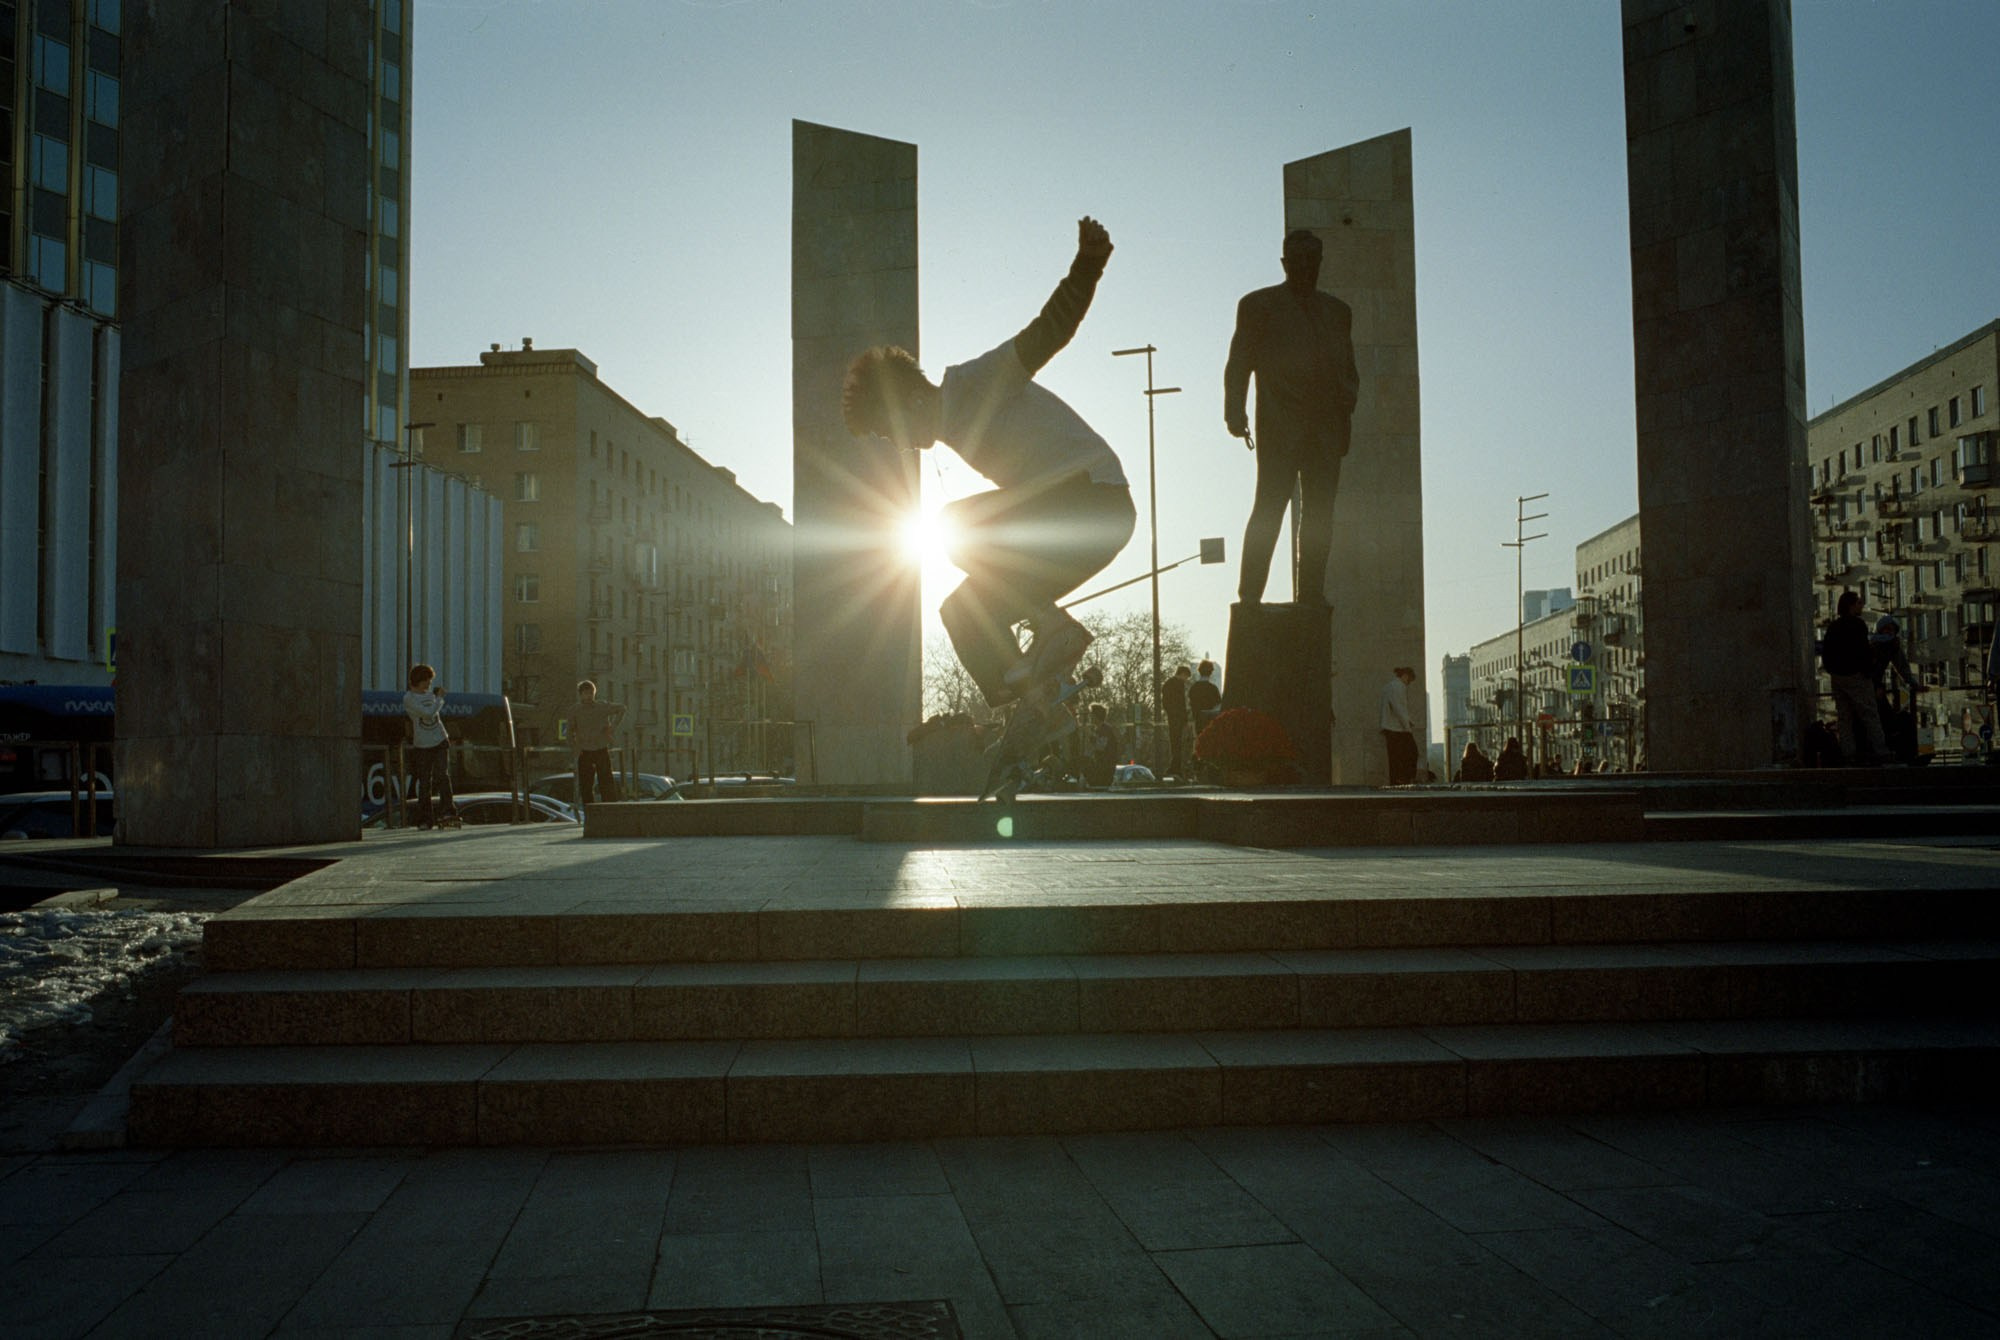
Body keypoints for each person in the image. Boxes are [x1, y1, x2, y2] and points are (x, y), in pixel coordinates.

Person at [842, 217, 1136, 709]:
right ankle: (1028, 694)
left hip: (1095, 500)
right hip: (1070, 527)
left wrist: (1088, 265)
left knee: (952, 525)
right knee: (960, 612)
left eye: (891, 431)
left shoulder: (975, 383)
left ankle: (1050, 626)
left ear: (910, 401)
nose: (901, 445)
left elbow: (1047, 333)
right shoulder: (955, 428)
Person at [1223, 228, 1359, 607]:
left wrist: (1344, 415)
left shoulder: (1338, 312)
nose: (1305, 269)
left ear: (1319, 264)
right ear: (1284, 263)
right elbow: (1239, 363)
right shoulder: (1258, 305)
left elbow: (1349, 372)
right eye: (1297, 262)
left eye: (1312, 262)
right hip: (1280, 426)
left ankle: (1311, 594)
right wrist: (1235, 409)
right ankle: (1250, 595)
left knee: (1319, 518)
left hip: (1326, 431)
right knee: (1268, 509)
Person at [1821, 590, 1888, 766]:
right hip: (1856, 676)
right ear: (1851, 606)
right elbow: (1862, 651)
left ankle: (1848, 754)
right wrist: (1868, 671)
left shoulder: (1833, 627)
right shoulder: (1858, 625)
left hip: (1838, 677)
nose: (1861, 606)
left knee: (1844, 717)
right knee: (1870, 714)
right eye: (1859, 603)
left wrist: (1833, 671)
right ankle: (1881, 752)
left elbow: (1826, 652)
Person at [402, 663, 457, 829]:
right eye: (426, 681)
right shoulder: (409, 698)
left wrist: (436, 697)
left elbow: (434, 713)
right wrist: (440, 698)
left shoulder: (430, 695)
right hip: (423, 744)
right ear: (418, 681)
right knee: (425, 782)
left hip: (440, 739)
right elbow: (427, 713)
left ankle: (448, 810)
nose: (429, 684)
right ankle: (426, 819)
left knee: (442, 775)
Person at [561, 679, 627, 804]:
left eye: (591, 693)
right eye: (586, 693)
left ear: (594, 694)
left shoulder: (601, 706)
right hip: (584, 752)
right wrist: (574, 748)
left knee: (606, 783)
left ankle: (609, 810)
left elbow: (622, 708)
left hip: (601, 749)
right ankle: (590, 813)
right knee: (586, 785)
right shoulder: (574, 710)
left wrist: (612, 727)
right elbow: (569, 732)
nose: (589, 696)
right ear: (580, 694)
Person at [1871, 614, 1924, 763]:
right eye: (1886, 629)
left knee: (1888, 720)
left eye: (1892, 630)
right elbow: (1866, 668)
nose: (1889, 633)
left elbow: (1902, 667)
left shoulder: (1892, 645)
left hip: (1876, 688)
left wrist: (1914, 684)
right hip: (1866, 687)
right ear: (1880, 630)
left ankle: (1896, 753)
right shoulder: (1872, 644)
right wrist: (1874, 687)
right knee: (1880, 719)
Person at [1379, 666, 1418, 786]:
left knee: (1394, 757)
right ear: (1405, 676)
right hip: (1398, 729)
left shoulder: (1388, 687)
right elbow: (1399, 708)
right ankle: (1404, 778)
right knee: (1411, 752)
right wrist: (1407, 727)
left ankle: (1396, 780)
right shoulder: (1398, 687)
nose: (1408, 684)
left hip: (1390, 728)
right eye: (1409, 680)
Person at [1160, 664, 1192, 779]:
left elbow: (1166, 702)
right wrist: (1185, 719)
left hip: (1171, 717)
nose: (1186, 679)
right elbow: (1181, 703)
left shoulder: (1168, 683)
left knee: (1174, 742)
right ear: (1183, 674)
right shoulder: (1179, 685)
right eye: (1186, 677)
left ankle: (1174, 766)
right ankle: (1176, 767)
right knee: (1179, 743)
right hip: (1178, 718)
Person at [1081, 702, 1118, 788]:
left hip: (1105, 767)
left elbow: (1101, 746)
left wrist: (1090, 735)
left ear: (1096, 716)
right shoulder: (1099, 730)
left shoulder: (1105, 729)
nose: (1090, 717)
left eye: (1091, 715)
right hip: (1101, 766)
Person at [1188, 659, 1223, 733]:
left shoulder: (1193, 688)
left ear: (1199, 671)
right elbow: (1218, 704)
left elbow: (1191, 703)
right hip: (1210, 719)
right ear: (1211, 672)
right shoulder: (1213, 688)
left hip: (1198, 719)